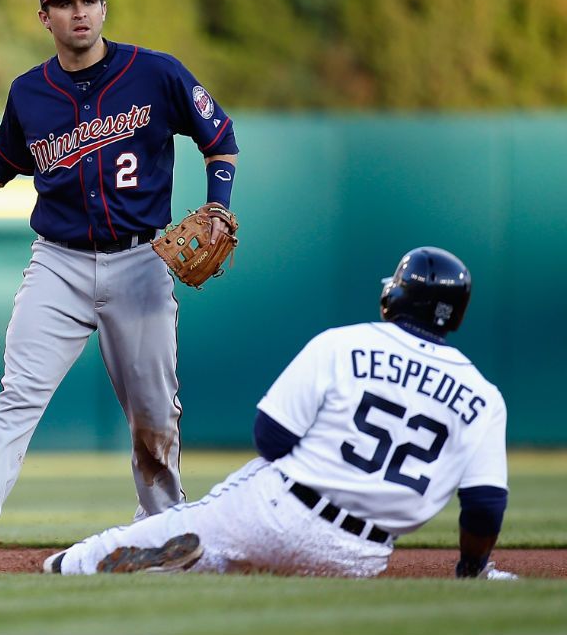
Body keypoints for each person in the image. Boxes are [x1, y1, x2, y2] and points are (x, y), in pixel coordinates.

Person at [0, 0, 240, 569]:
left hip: (139, 261)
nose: (80, 11)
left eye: (90, 0)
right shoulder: (30, 91)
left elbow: (220, 140)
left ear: (104, 9)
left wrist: (218, 206)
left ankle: (162, 524)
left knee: (153, 413)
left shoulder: (155, 72)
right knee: (19, 394)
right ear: (44, 16)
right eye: (65, 2)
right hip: (58, 265)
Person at [43, 246, 515, 580]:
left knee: (183, 527)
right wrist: (471, 570)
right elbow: (484, 505)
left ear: (400, 294)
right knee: (240, 567)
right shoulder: (483, 395)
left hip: (278, 510)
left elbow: (270, 436)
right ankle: (206, 562)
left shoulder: (346, 343)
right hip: (360, 554)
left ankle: (70, 565)